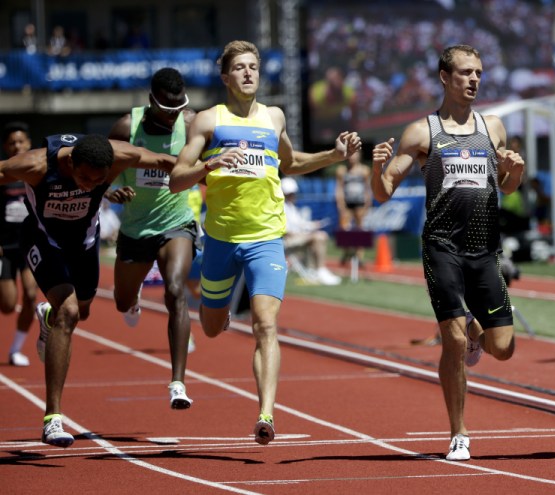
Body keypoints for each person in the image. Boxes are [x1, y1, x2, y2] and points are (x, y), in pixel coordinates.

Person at [168, 40, 361, 445]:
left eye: (253, 66)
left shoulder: (274, 117)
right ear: (226, 77)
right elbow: (176, 179)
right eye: (239, 67)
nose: (248, 73)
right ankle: (209, 308)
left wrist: (334, 154)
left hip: (266, 239)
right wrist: (209, 165)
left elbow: (290, 163)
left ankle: (266, 414)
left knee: (266, 324)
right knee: (213, 326)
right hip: (221, 239)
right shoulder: (207, 120)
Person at [370, 44, 525, 461]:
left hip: (485, 250)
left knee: (504, 348)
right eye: (464, 73)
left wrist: (515, 173)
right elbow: (383, 192)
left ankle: (477, 332)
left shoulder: (492, 127)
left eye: (478, 72)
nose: (474, 80)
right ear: (444, 77)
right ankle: (459, 433)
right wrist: (375, 167)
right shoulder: (422, 133)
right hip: (442, 248)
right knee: (452, 340)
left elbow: (505, 187)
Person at [0, 134, 175, 448]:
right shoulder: (36, 163)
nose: (88, 185)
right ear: (70, 162)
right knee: (69, 314)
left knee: (81, 310)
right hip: (43, 239)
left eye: (98, 180)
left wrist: (212, 171)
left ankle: (48, 316)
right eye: (83, 177)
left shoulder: (119, 155)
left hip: (84, 243)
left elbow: (166, 162)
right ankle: (52, 419)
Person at [106, 67, 200, 409]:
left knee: (176, 290)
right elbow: (102, 171)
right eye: (167, 107)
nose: (173, 112)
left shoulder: (190, 125)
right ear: (151, 101)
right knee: (120, 302)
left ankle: (178, 382)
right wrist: (111, 192)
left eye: (179, 105)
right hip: (136, 229)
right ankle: (133, 296)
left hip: (177, 222)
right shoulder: (125, 127)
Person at [1, 122, 37, 366]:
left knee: (32, 294)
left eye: (21, 141)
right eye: (12, 142)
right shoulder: (2, 173)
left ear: (29, 144)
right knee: (7, 306)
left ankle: (15, 349)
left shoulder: (36, 172)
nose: (17, 146)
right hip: (4, 248)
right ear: (5, 147)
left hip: (28, 246)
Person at [281, 177, 341, 285]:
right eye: (290, 193)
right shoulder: (281, 207)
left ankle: (315, 269)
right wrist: (304, 233)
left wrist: (314, 225)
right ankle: (320, 270)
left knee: (320, 236)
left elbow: (301, 224)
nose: (292, 196)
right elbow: (285, 231)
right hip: (287, 241)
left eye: (293, 193)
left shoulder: (291, 207)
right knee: (319, 237)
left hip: (296, 238)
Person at [335, 150, 371, 266]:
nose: (352, 158)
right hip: (347, 203)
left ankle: (359, 257)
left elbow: (367, 188)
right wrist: (340, 204)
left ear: (359, 156)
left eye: (354, 155)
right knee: (345, 229)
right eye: (350, 155)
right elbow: (339, 188)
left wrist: (367, 204)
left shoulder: (364, 170)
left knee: (360, 229)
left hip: (359, 202)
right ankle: (346, 252)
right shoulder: (342, 171)